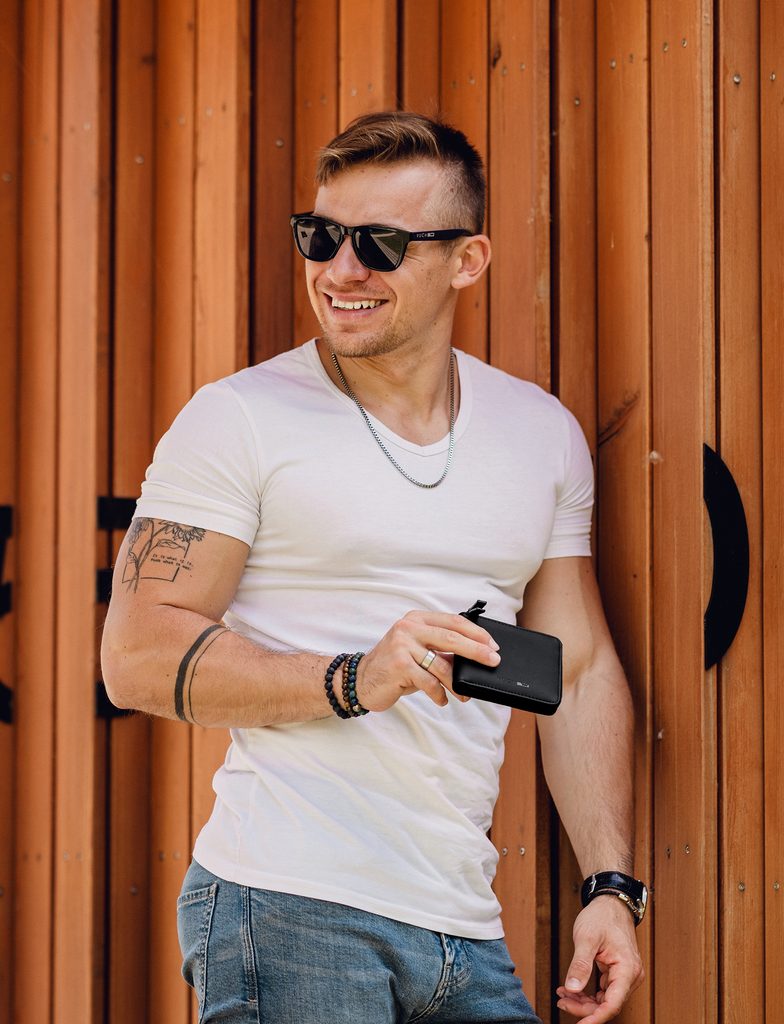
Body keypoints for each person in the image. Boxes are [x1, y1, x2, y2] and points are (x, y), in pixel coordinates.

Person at [101, 111, 645, 1024]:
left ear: (467, 260)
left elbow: (579, 670)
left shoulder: (538, 433)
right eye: (321, 237)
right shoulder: (240, 418)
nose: (340, 270)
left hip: (463, 926)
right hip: (287, 906)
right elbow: (136, 657)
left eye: (381, 244)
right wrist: (355, 678)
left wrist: (612, 886)